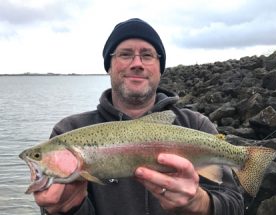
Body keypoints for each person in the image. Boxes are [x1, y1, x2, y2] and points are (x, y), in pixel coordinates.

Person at [34, 18, 244, 215]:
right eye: (125, 54)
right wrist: (68, 209)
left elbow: (235, 205)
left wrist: (200, 203)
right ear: (109, 66)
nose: (137, 63)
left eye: (147, 55)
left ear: (160, 69)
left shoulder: (196, 125)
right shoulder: (68, 130)